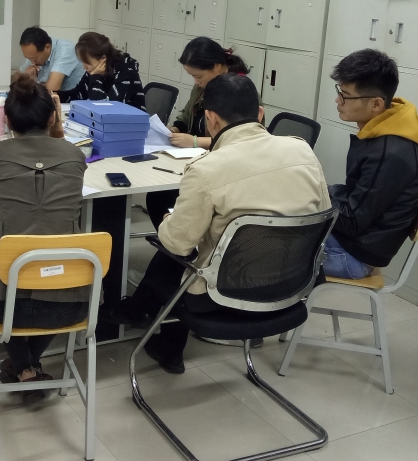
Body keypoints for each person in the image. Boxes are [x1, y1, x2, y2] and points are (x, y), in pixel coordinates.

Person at [102, 74, 330, 374]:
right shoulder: (302, 150)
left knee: (176, 253)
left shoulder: (206, 169)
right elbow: (321, 214)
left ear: (210, 118)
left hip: (223, 296)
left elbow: (176, 244)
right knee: (196, 247)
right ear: (260, 113)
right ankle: (158, 334)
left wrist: (171, 220)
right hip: (292, 287)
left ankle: (152, 328)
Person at [0, 76, 87, 403]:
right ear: (52, 117)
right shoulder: (75, 157)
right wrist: (59, 135)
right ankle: (28, 367)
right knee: (50, 297)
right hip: (68, 305)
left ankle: (23, 367)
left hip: (2, 302)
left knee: (5, 289)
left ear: (8, 121)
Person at [326, 49, 418, 279]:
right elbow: (357, 198)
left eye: (345, 95)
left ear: (376, 104)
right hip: (352, 242)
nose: (338, 100)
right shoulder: (385, 128)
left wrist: (317, 195)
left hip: (354, 256)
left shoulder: (391, 153)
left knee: (264, 250)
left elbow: (352, 221)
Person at [146, 37, 255, 229]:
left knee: (163, 198)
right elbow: (187, 113)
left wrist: (195, 141)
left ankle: (178, 238)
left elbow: (241, 139)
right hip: (192, 158)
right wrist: (176, 128)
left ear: (216, 66)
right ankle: (174, 237)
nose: (196, 82)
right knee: (158, 194)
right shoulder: (202, 87)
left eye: (198, 76)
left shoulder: (239, 91)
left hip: (222, 166)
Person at [57, 31, 146, 110]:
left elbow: (105, 108)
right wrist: (54, 96)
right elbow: (78, 94)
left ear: (103, 58)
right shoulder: (95, 70)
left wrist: (95, 77)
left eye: (87, 62)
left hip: (131, 121)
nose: (84, 67)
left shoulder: (127, 71)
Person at [15, 26, 84, 92]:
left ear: (47, 47)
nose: (32, 62)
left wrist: (30, 82)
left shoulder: (64, 49)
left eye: (34, 58)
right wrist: (24, 77)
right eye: (28, 58)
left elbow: (52, 90)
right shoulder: (34, 53)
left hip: (74, 98)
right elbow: (14, 77)